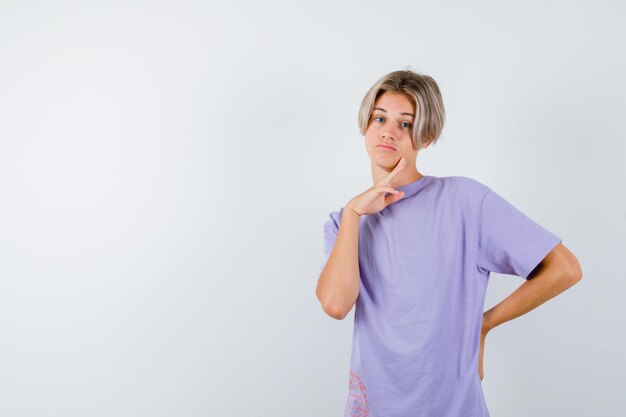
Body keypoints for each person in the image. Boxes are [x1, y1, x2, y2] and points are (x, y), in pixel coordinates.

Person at [315, 69, 583, 417]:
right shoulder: (343, 222)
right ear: (365, 126)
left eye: (406, 124)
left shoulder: (465, 201)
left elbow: (564, 268)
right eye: (379, 118)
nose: (388, 131)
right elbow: (336, 305)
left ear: (426, 136)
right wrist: (354, 213)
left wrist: (484, 324)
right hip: (376, 406)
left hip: (451, 406)